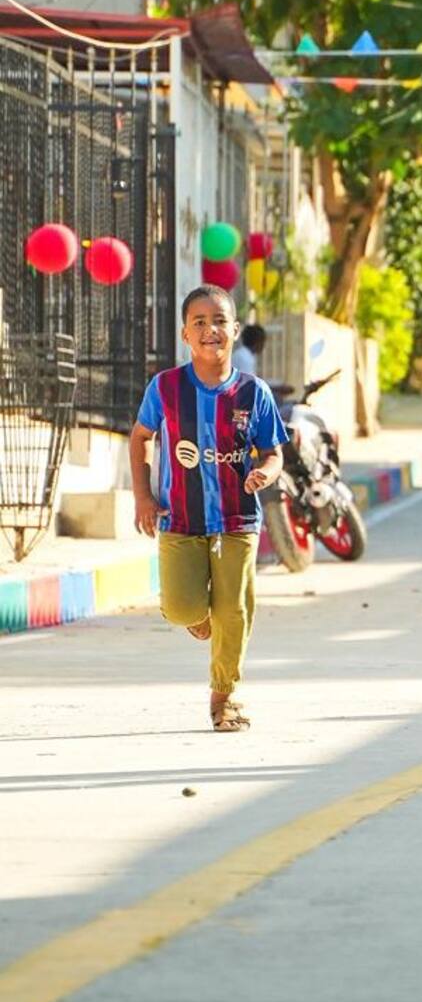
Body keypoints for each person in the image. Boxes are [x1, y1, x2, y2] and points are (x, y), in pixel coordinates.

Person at [129, 285, 288, 733]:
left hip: (238, 519)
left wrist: (266, 473)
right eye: (199, 322)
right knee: (180, 608)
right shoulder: (165, 388)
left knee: (234, 608)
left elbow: (273, 452)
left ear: (234, 331)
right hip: (179, 517)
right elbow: (141, 437)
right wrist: (143, 495)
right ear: (185, 334)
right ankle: (200, 620)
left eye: (219, 321)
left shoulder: (253, 393)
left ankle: (225, 697)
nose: (210, 330)